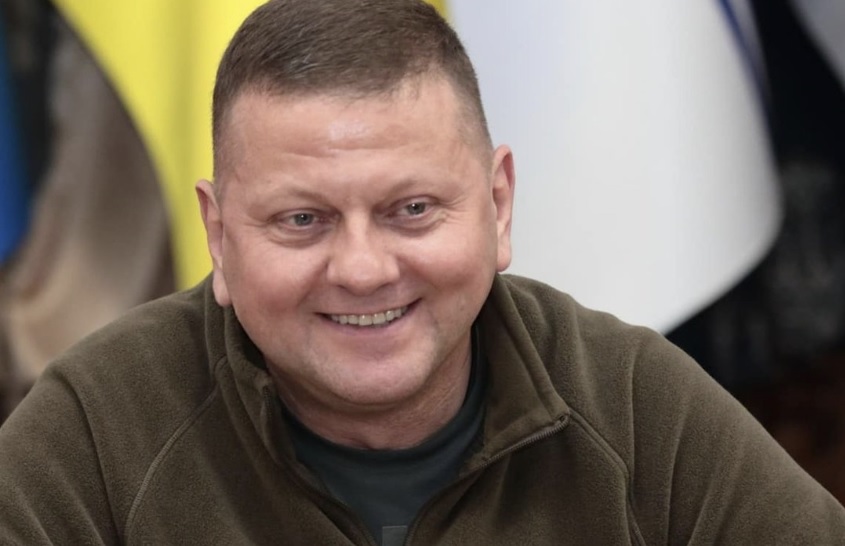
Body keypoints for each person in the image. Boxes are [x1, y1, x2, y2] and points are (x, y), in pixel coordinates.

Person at [0, 0, 843, 544]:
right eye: (302, 220)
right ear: (218, 235)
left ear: (498, 204)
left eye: (411, 209)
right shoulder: (96, 428)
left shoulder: (631, 400)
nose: (363, 270)